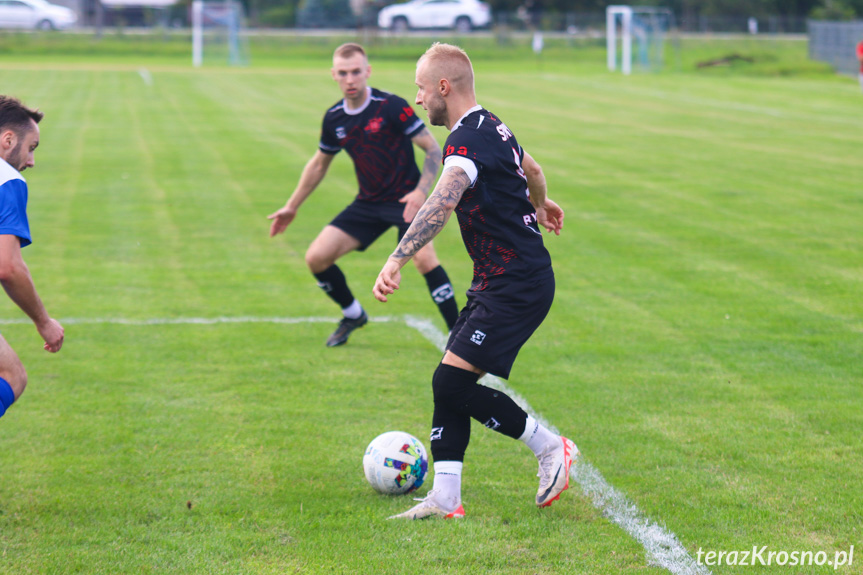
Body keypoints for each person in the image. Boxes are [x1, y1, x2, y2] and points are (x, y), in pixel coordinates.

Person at [373, 43, 577, 519]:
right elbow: (533, 169)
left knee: (451, 383)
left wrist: (397, 259)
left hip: (517, 283)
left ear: (444, 87)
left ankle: (551, 448)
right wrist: (541, 203)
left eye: (422, 89)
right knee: (448, 381)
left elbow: (443, 201)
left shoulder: (464, 144)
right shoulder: (494, 126)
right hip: (503, 280)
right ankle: (446, 498)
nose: (419, 99)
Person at [268, 43, 459, 347]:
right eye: (343, 73)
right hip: (369, 203)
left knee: (424, 259)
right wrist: (291, 207)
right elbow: (319, 164)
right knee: (316, 258)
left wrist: (420, 193)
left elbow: (433, 150)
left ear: (367, 71)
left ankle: (458, 335)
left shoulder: (391, 106)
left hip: (406, 202)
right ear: (334, 75)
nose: (350, 79)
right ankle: (353, 314)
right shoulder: (334, 119)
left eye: (356, 72)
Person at [0, 95, 65, 420]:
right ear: (7, 140)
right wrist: (44, 321)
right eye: (31, 148)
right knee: (12, 376)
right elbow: (8, 267)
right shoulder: (6, 180)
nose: (31, 161)